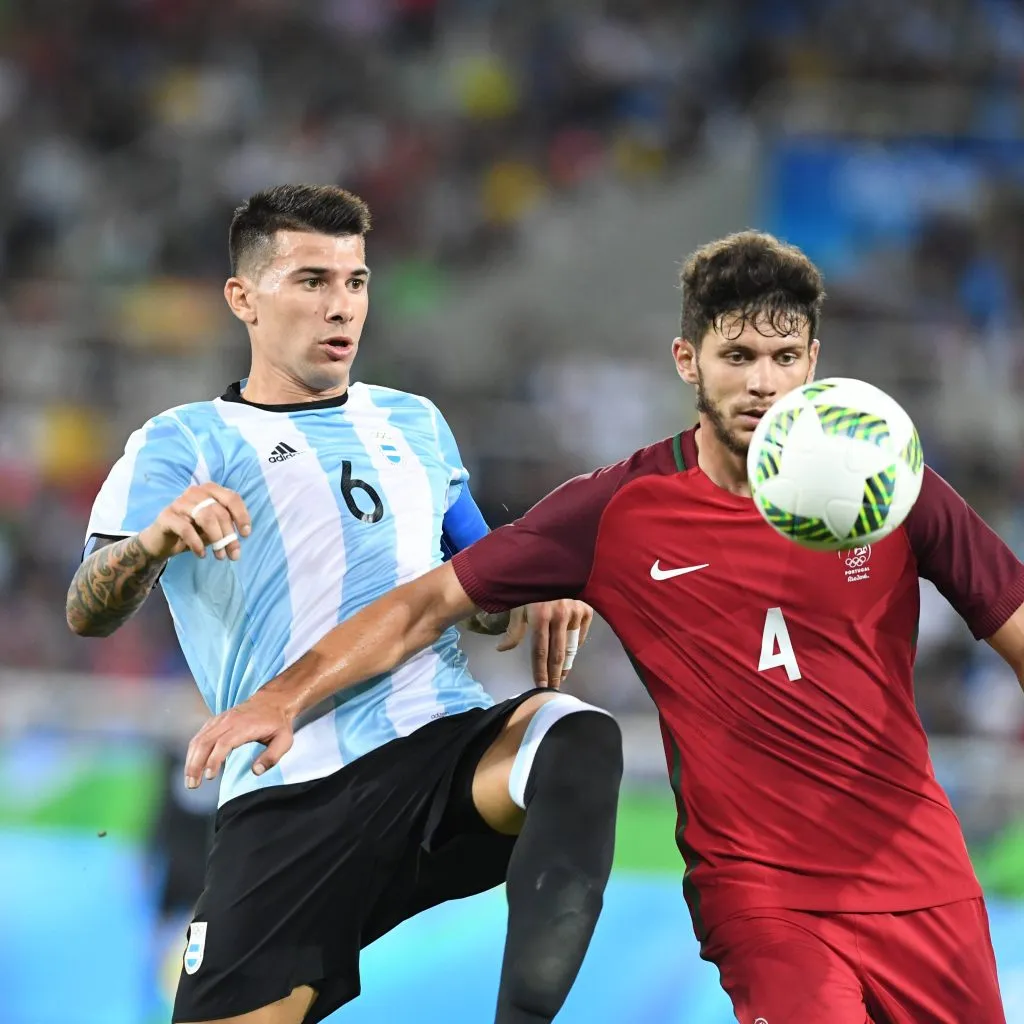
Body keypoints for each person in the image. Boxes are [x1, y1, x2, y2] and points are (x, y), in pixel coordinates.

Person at [185, 230, 1024, 1024]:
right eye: (737, 357)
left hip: (924, 882)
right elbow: (426, 603)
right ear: (688, 361)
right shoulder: (621, 510)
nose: (762, 384)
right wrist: (285, 695)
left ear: (813, 361)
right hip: (766, 898)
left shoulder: (889, 481)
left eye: (782, 357)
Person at [65, 183, 624, 1024]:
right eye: (312, 281)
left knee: (574, 734)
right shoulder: (182, 441)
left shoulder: (415, 424)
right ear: (243, 299)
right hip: (289, 798)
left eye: (356, 282)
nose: (342, 307)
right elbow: (86, 608)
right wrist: (150, 544)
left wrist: (534, 589)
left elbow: (480, 592)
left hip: (437, 753)